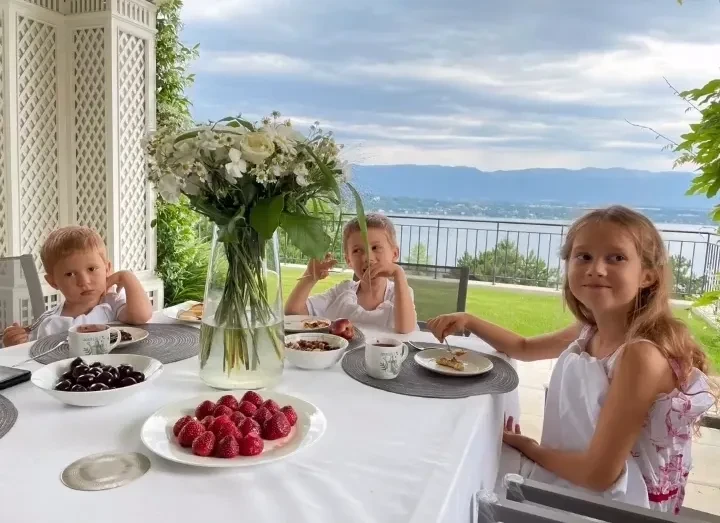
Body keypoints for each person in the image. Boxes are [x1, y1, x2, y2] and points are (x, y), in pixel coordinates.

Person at [427, 205, 716, 513]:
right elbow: (524, 347)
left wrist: (530, 447)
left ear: (647, 276)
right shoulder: (590, 330)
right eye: (584, 256)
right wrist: (469, 320)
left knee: (460, 482)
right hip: (579, 480)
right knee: (464, 455)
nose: (596, 269)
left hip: (618, 506)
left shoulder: (639, 356)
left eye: (616, 258)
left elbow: (599, 475)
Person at [2, 226, 153, 347]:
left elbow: (141, 316)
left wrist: (125, 276)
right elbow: (29, 349)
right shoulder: (49, 322)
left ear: (107, 269)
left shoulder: (112, 302)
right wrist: (15, 341)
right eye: (70, 274)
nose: (84, 281)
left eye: (92, 269)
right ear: (53, 282)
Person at [284, 213, 417, 333]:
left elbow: (405, 328)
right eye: (357, 251)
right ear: (349, 260)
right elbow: (293, 313)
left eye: (375, 247)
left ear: (395, 254)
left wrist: (398, 273)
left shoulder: (400, 293)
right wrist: (310, 276)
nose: (367, 257)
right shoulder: (342, 291)